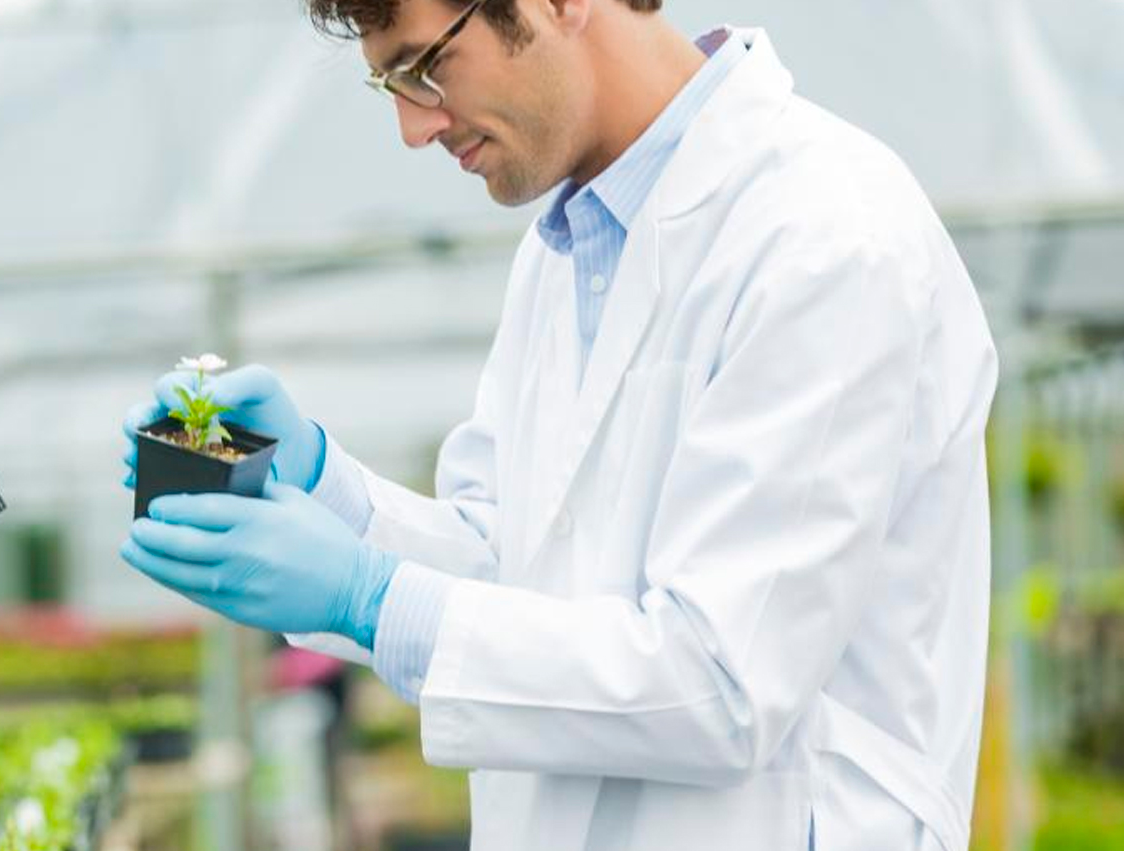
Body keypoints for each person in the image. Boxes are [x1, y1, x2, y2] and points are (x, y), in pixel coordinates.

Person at [116, 1, 998, 849]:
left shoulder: (825, 234)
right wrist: (327, 490)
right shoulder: (567, 251)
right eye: (391, 85)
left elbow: (723, 682)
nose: (415, 128)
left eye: (424, 67)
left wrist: (371, 599)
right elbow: (518, 573)